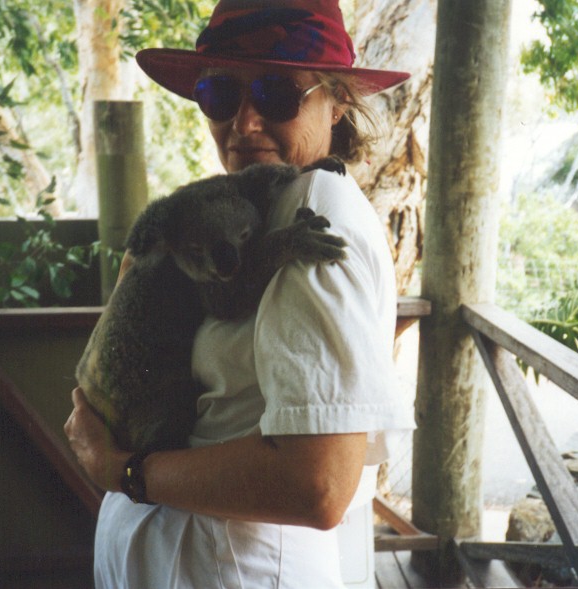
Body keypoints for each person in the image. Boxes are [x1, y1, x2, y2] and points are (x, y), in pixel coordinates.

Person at [64, 1, 415, 586]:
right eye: (220, 94)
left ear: (337, 101)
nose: (244, 122)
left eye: (276, 94)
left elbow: (317, 485)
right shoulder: (261, 200)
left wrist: (121, 471)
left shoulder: (314, 211)